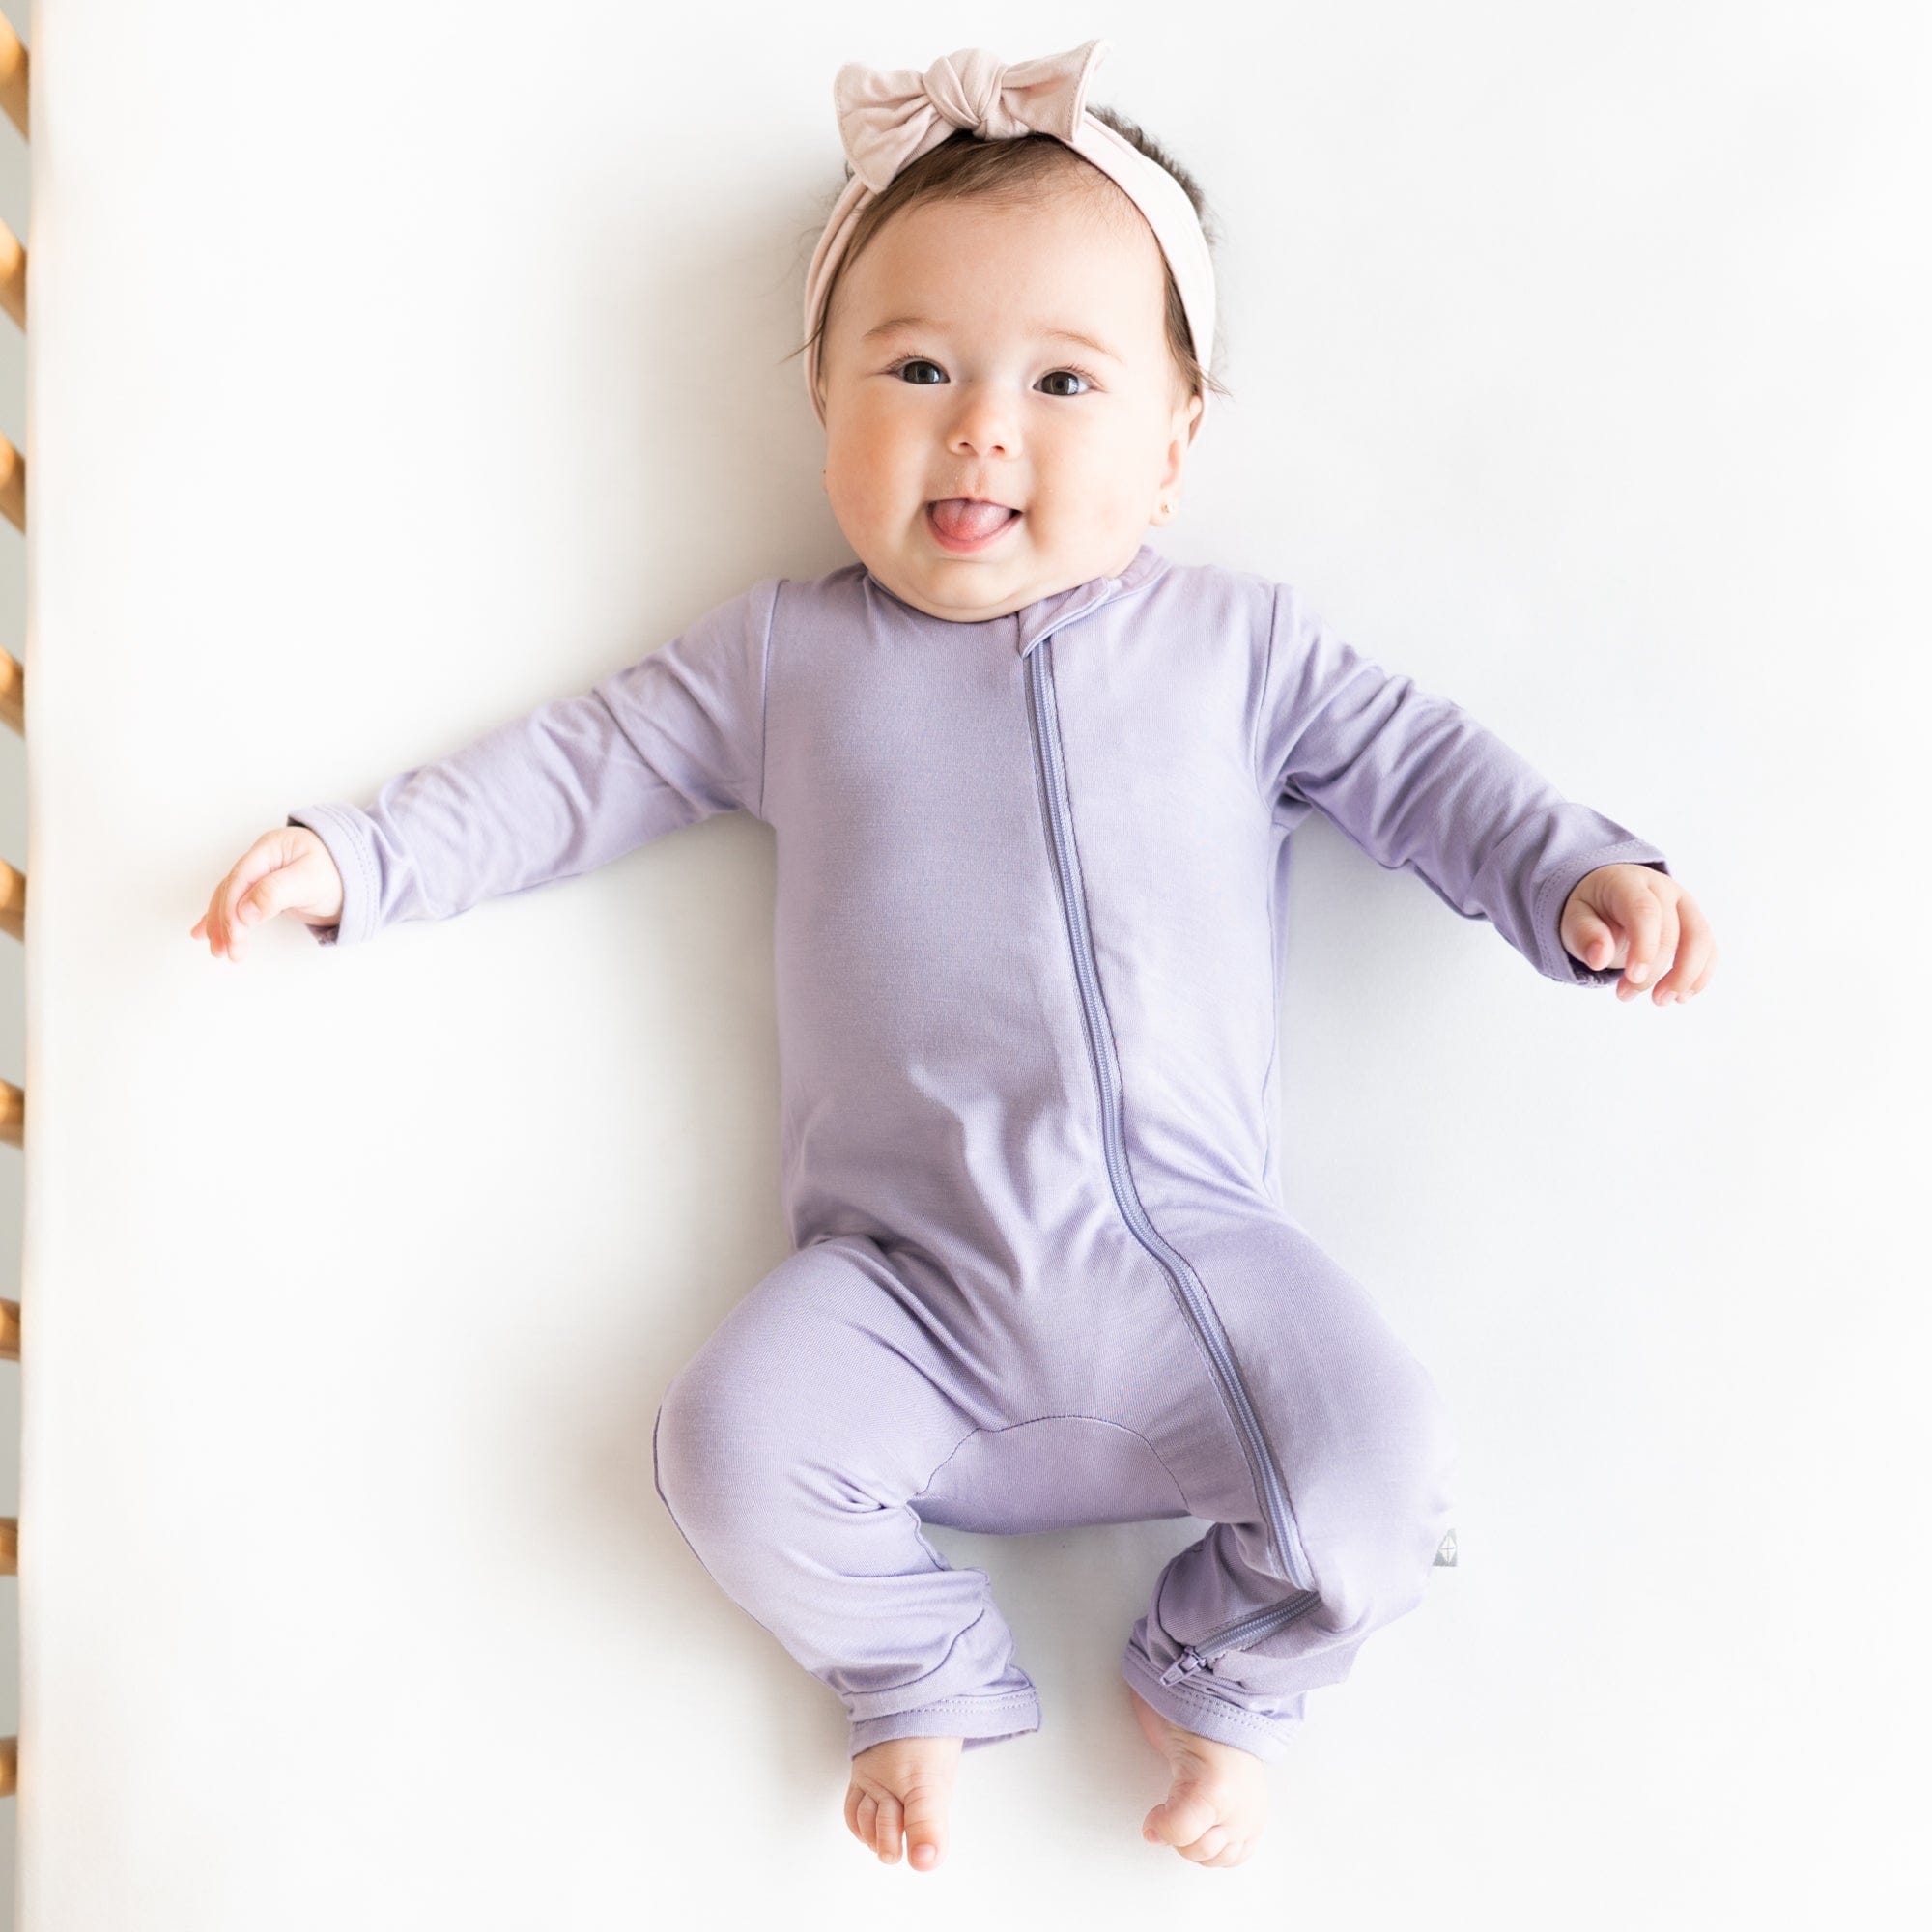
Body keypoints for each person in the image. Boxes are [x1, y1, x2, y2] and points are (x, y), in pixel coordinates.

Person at [189, 38, 1716, 1875]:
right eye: (914, 369)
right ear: (823, 402)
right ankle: (913, 1669)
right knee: (726, 1450)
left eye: (1065, 380)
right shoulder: (785, 663)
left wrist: (1574, 872)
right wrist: (361, 856)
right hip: (902, 1295)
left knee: (1383, 1478)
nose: (983, 424)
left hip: (1201, 1287)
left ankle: (1218, 1676)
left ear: (1175, 445)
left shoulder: (1239, 651)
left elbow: (1419, 771)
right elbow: (574, 770)